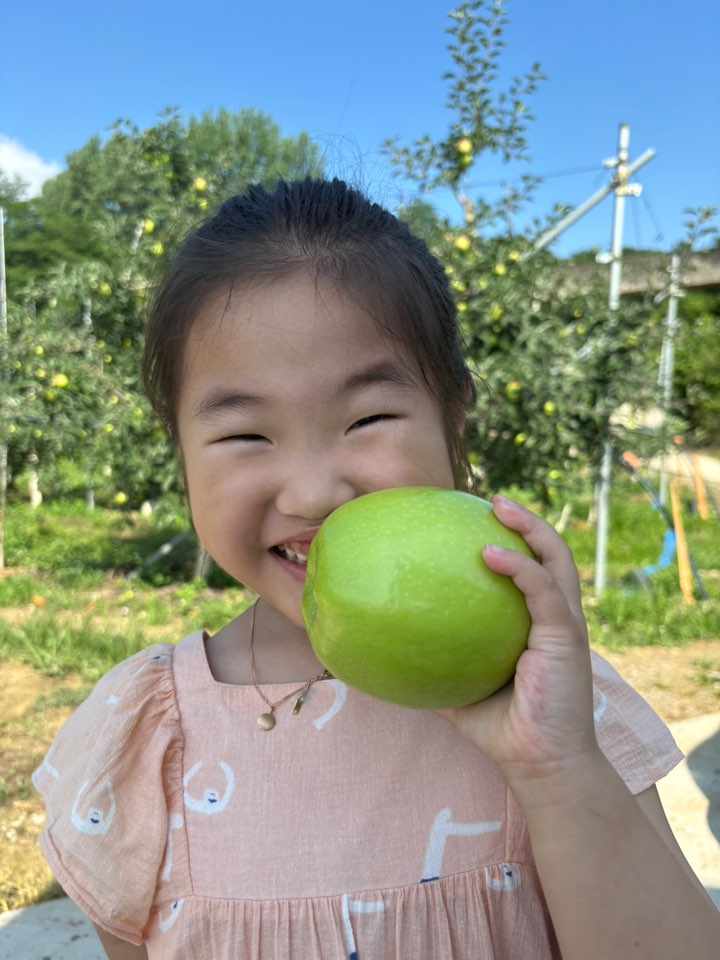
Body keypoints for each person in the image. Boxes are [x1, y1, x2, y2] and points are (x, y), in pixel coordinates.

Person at [34, 178, 719, 960]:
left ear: (452, 420)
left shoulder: (553, 701)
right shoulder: (149, 733)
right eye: (245, 436)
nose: (315, 491)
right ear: (180, 453)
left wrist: (556, 769)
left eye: (367, 419)